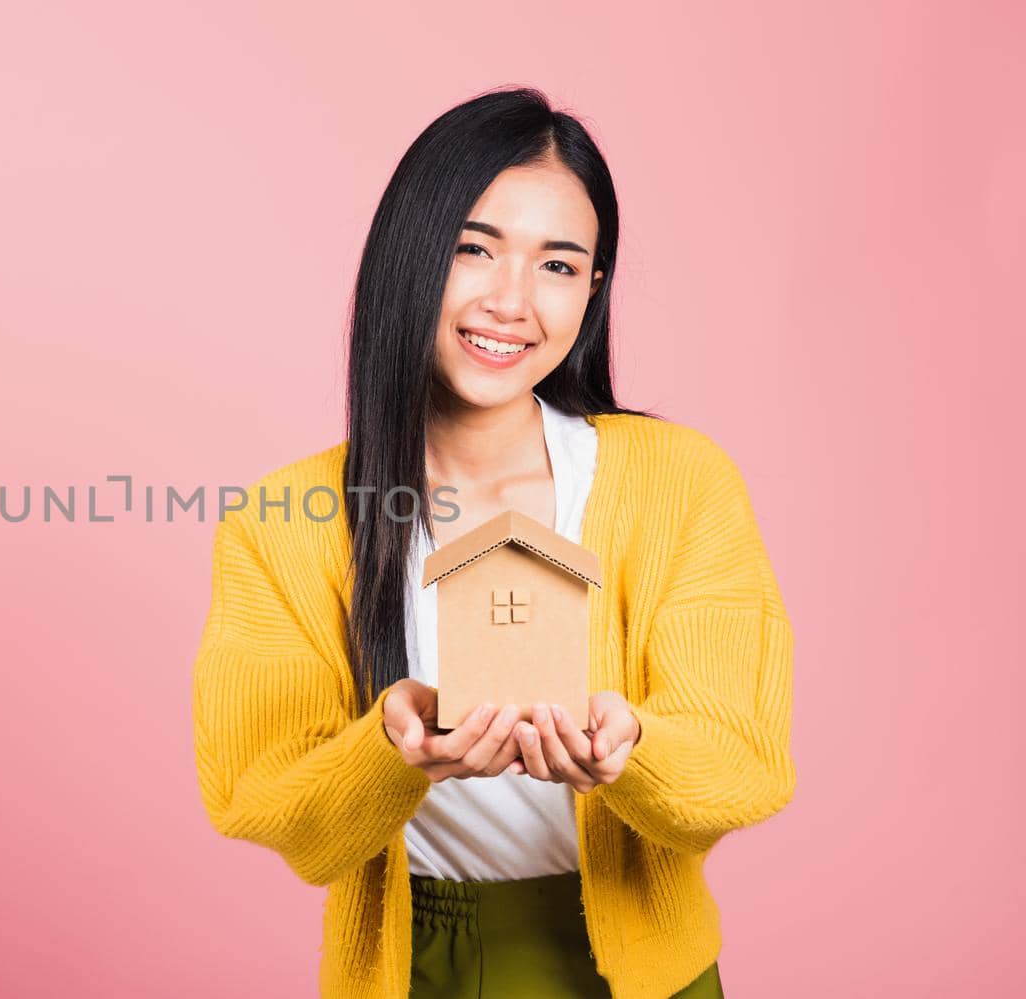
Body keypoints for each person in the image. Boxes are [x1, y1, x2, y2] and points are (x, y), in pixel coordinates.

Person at [191, 86, 795, 999]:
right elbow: (271, 803)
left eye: (558, 265)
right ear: (410, 254)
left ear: (592, 291)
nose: (510, 301)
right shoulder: (284, 520)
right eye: (474, 247)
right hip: (413, 966)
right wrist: (390, 750)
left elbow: (742, 763)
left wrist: (633, 749)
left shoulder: (680, 481)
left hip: (638, 968)